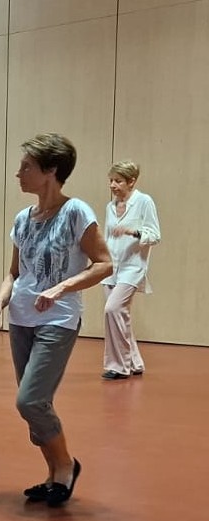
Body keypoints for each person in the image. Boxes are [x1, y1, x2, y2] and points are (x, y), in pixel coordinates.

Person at [0, 133, 112, 506]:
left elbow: (104, 264)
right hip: (21, 318)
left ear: (51, 171)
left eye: (26, 167)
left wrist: (61, 288)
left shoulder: (76, 212)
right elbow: (14, 273)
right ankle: (55, 474)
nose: (18, 173)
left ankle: (66, 465)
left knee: (30, 401)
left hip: (58, 319)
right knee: (35, 406)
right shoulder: (22, 218)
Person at [101, 160, 161, 379]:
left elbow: (155, 235)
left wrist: (132, 231)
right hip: (112, 268)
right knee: (120, 316)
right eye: (111, 181)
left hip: (132, 267)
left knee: (113, 309)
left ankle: (119, 366)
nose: (113, 185)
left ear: (131, 181)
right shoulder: (110, 206)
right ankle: (134, 362)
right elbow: (107, 237)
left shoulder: (144, 201)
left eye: (118, 181)